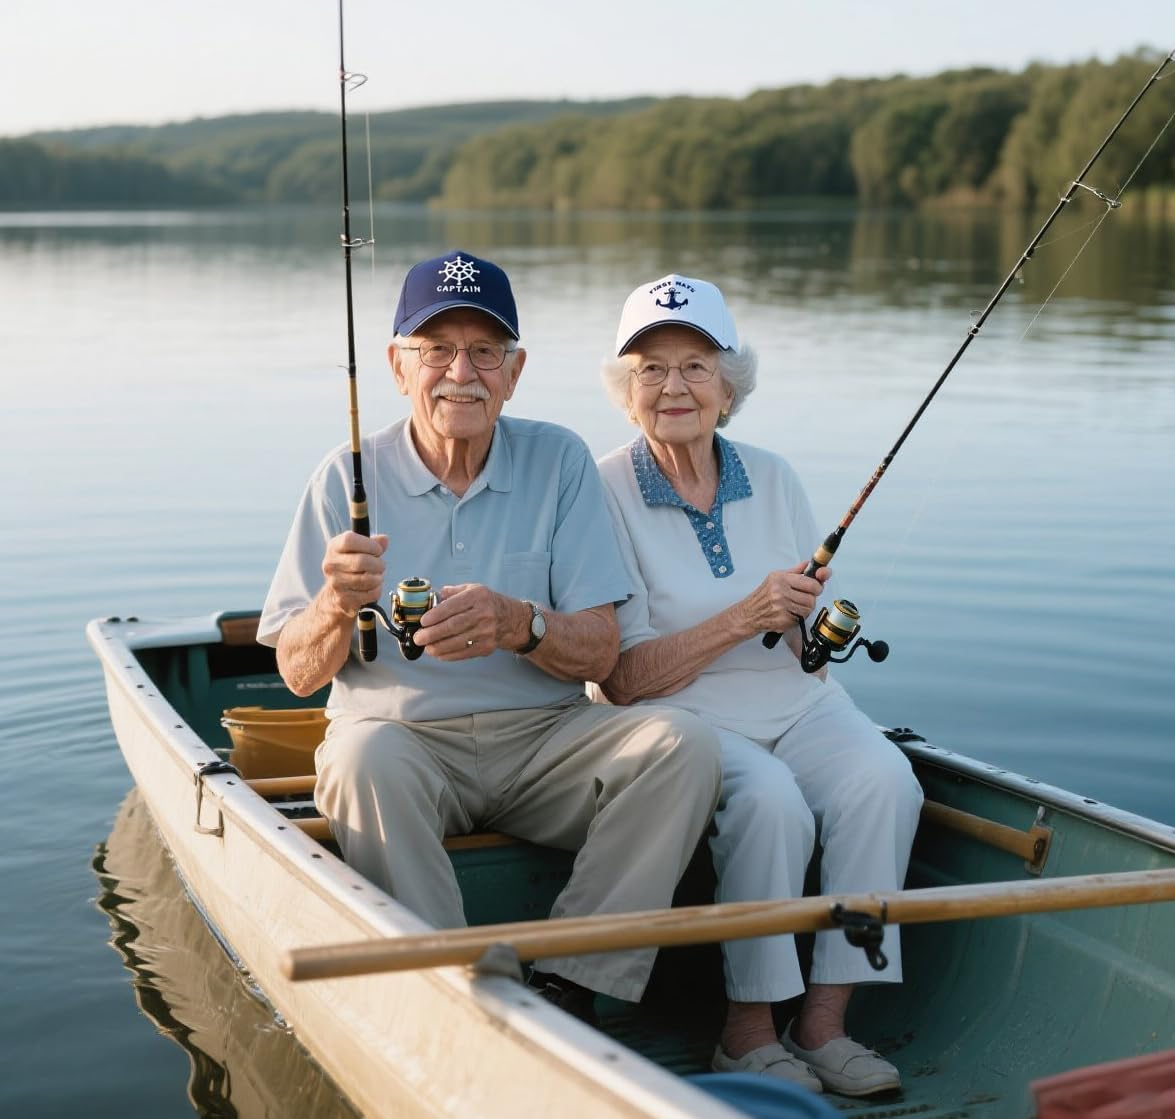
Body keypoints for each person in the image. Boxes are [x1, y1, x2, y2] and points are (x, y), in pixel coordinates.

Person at [256, 251, 722, 1020]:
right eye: (435, 349)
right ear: (397, 366)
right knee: (359, 758)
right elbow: (298, 673)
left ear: (514, 370)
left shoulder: (559, 459)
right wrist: (335, 605)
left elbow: (602, 651)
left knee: (682, 743)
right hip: (403, 743)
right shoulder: (344, 476)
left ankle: (572, 980)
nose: (460, 373)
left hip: (545, 738)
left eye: (483, 351)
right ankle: (453, 995)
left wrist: (520, 624)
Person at [593, 274, 924, 1096]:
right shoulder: (598, 490)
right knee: (771, 802)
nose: (673, 386)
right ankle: (746, 1034)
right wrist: (745, 614)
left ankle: (823, 1024)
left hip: (797, 701)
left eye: (695, 365)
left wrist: (811, 623)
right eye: (651, 368)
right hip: (680, 717)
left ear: (728, 385)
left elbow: (807, 648)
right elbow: (623, 680)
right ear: (626, 390)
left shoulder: (772, 476)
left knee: (886, 781)